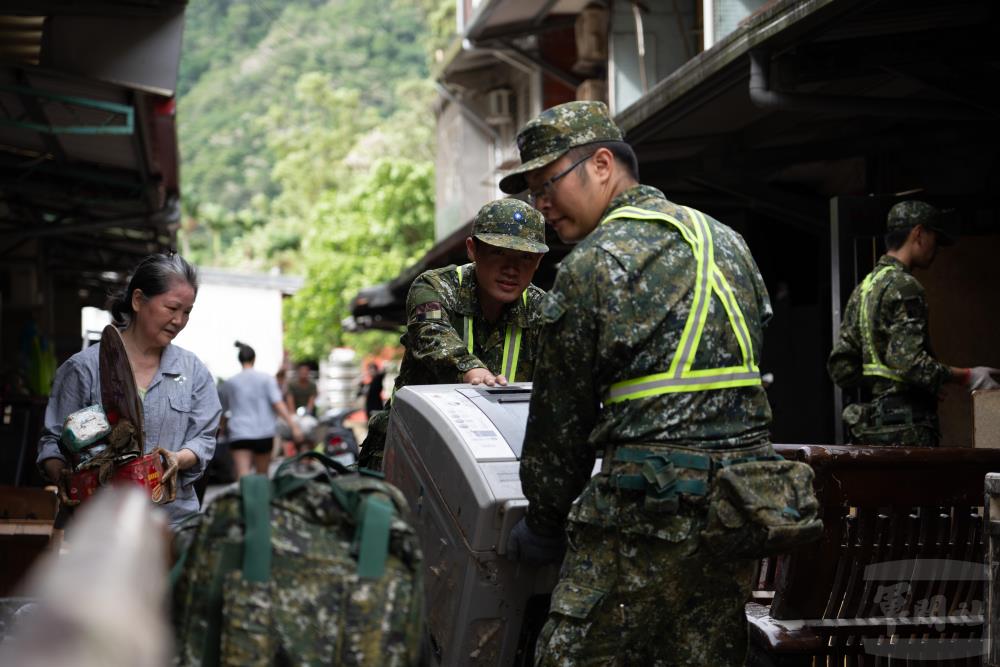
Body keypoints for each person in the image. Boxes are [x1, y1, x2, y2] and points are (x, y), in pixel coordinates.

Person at [500, 101, 775, 665]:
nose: (541, 205)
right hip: (739, 515)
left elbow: (561, 425)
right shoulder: (729, 243)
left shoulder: (590, 265)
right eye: (531, 192)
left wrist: (544, 523)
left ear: (603, 165)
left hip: (640, 522)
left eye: (547, 184)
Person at [357, 198, 548, 471]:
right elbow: (431, 334)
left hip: (486, 460)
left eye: (525, 257)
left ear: (539, 262)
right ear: (473, 249)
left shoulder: (542, 309)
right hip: (409, 451)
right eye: (498, 253)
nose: (511, 268)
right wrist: (471, 371)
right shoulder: (434, 287)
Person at [37, 252, 221, 529]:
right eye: (172, 308)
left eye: (187, 312)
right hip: (97, 527)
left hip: (171, 524)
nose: (179, 320)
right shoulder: (84, 368)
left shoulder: (192, 371)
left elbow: (204, 438)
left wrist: (177, 458)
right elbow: (52, 441)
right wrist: (61, 474)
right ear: (138, 300)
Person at [828, 200, 999, 446]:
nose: (937, 249)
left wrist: (889, 384)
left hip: (870, 432)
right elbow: (908, 363)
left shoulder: (864, 289)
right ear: (918, 233)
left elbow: (841, 368)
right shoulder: (906, 287)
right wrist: (967, 376)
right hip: (909, 431)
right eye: (935, 239)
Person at [219, 342, 303, 477]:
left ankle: (246, 497)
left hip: (240, 433)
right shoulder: (266, 379)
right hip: (264, 433)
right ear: (254, 359)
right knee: (262, 475)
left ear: (239, 360)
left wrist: (219, 431)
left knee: (243, 475)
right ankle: (260, 497)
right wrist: (294, 426)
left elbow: (222, 412)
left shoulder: (230, 383)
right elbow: (278, 404)